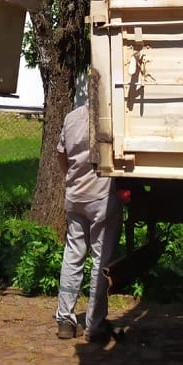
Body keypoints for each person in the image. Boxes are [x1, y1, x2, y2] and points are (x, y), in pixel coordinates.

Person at [55, 102, 123, 344]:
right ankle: (94, 324)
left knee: (72, 256)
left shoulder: (72, 117)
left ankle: (65, 319)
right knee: (100, 261)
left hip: (75, 196)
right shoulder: (112, 118)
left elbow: (61, 154)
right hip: (101, 197)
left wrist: (71, 180)